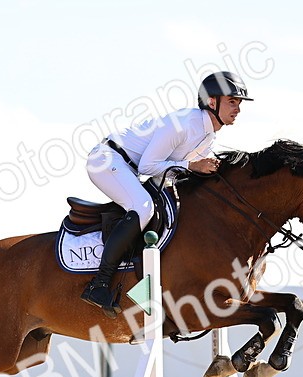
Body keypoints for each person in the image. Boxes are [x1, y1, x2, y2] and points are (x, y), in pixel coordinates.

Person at [80, 71, 254, 317]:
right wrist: (192, 166)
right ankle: (98, 284)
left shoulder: (208, 135)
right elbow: (148, 167)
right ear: (212, 101)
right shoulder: (184, 124)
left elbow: (174, 174)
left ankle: (144, 284)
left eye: (239, 103)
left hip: (130, 169)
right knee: (143, 207)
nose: (237, 109)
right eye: (232, 102)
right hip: (107, 160)